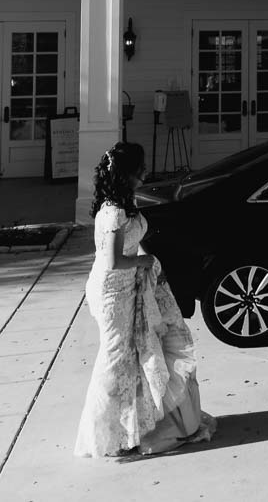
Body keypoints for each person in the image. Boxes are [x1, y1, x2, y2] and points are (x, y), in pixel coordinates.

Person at [74, 142, 216, 457]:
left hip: (129, 288)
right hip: (114, 293)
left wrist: (146, 260)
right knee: (115, 359)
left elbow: (130, 246)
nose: (145, 173)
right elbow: (113, 261)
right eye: (140, 169)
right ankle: (107, 434)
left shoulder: (123, 203)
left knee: (136, 356)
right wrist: (145, 262)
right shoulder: (113, 211)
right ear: (126, 174)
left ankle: (134, 427)